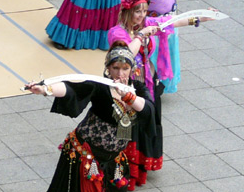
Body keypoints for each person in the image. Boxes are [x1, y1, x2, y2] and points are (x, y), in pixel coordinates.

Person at [107, 0, 218, 189]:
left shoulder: (146, 24)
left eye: (144, 11)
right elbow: (124, 54)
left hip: (147, 83)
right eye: (137, 11)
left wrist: (200, 17)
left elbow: (169, 22)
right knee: (127, 128)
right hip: (125, 88)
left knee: (147, 123)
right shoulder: (117, 32)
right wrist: (141, 36)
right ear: (126, 11)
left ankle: (141, 165)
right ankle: (123, 171)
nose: (141, 15)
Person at [26, 42, 156, 192]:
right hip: (87, 153)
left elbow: (148, 110)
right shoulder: (100, 86)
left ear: (132, 69)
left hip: (115, 157)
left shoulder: (138, 90)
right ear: (108, 68)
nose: (120, 74)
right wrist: (45, 89)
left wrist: (127, 96)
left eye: (125, 69)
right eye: (115, 68)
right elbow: (72, 90)